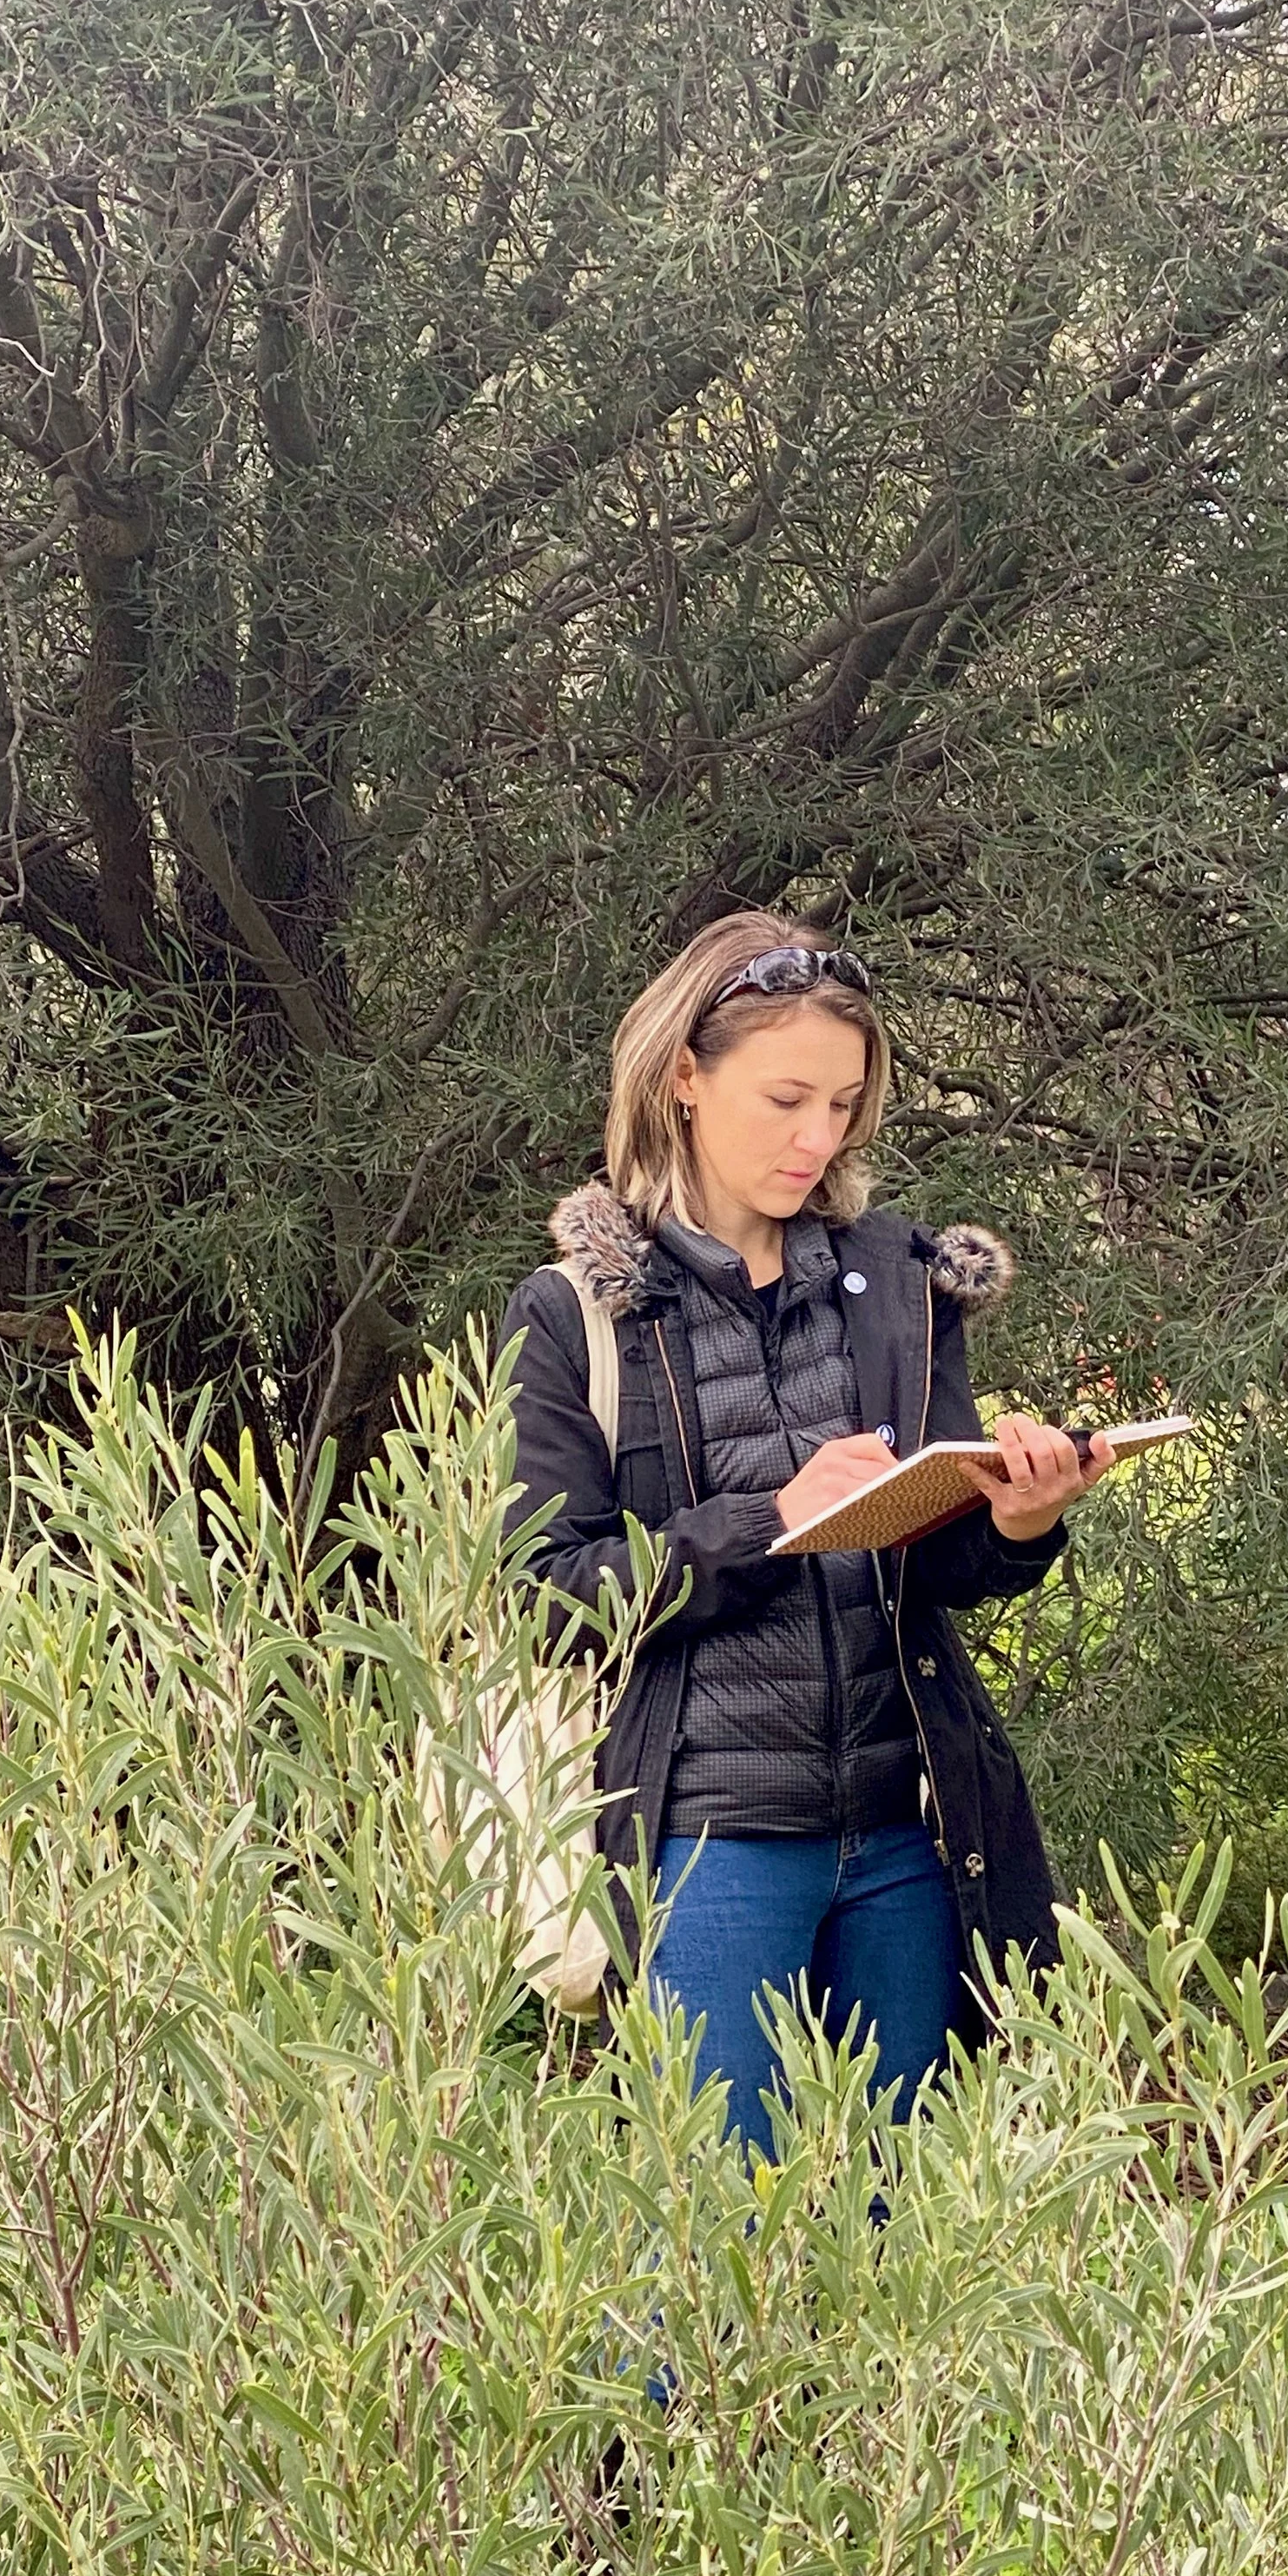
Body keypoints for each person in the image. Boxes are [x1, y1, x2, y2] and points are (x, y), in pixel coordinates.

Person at [500, 912, 1115, 2150]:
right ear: (684, 1075)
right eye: (786, 1098)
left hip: (907, 1844)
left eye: (843, 1104)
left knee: (891, 2245)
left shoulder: (897, 1281)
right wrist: (772, 1521)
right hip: (703, 1851)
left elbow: (940, 1559)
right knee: (707, 2253)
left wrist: (1020, 1518)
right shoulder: (579, 1313)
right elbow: (546, 1591)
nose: (817, 1138)